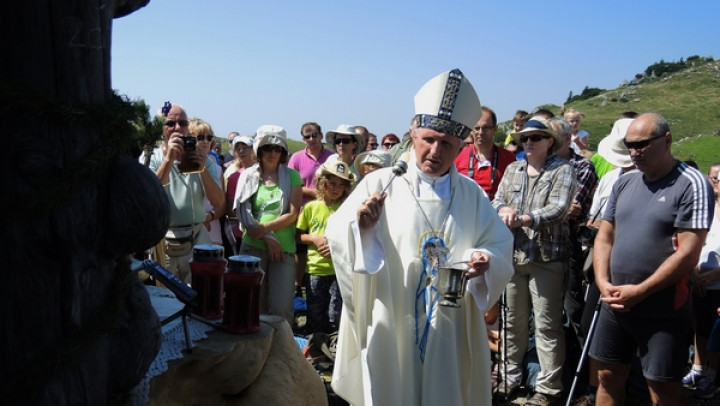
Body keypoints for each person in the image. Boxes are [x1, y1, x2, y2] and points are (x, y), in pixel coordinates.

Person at [325, 68, 515, 406]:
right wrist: (363, 228)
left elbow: (499, 243)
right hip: (393, 314)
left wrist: (487, 260)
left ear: (461, 144)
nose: (436, 151)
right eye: (429, 139)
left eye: (447, 144)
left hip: (450, 322)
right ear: (413, 133)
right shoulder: (380, 183)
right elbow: (339, 233)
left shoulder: (471, 194)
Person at [588, 113, 713, 406]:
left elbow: (688, 252)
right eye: (630, 145)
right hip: (616, 300)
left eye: (642, 144)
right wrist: (604, 282)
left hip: (664, 306)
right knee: (607, 374)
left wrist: (640, 291)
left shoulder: (691, 183)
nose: (634, 152)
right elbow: (604, 237)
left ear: (666, 140)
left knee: (662, 386)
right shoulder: (625, 182)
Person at [492, 116, 577, 405]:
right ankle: (509, 378)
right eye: (524, 139)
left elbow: (560, 208)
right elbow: (497, 199)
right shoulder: (513, 169)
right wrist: (504, 210)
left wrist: (524, 219)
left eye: (535, 138)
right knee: (512, 321)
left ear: (549, 141)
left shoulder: (563, 169)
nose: (528, 143)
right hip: (514, 256)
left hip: (547, 257)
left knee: (547, 325)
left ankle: (548, 388)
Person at [144, 102, 225, 283]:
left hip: (196, 236)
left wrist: (202, 169)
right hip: (163, 239)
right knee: (165, 295)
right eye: (171, 123)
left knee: (200, 293)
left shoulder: (204, 159)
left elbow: (219, 201)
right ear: (162, 128)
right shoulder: (152, 157)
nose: (178, 128)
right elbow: (149, 194)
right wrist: (168, 159)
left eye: (182, 123)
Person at [234, 125, 303, 325]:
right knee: (254, 303)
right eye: (267, 148)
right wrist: (268, 238)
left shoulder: (292, 176)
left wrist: (264, 229)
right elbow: (243, 212)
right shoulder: (247, 175)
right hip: (253, 246)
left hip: (284, 249)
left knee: (281, 307)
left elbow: (293, 214)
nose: (272, 153)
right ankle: (256, 349)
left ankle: (280, 351)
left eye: (277, 149)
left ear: (282, 152)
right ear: (259, 150)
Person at [296, 160, 354, 334]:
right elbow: (298, 235)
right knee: (315, 311)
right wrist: (314, 238)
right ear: (322, 183)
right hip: (315, 269)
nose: (336, 189)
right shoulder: (311, 207)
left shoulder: (346, 208)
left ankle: (335, 343)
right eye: (332, 184)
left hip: (338, 269)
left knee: (335, 312)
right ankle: (316, 344)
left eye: (341, 185)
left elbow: (352, 236)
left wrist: (336, 246)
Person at [683, 162, 720, 399]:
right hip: (699, 279)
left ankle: (712, 376)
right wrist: (695, 272)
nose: (717, 183)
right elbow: (695, 241)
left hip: (717, 280)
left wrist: (716, 274)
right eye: (715, 178)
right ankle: (698, 367)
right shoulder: (706, 209)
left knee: (717, 330)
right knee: (701, 324)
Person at [287, 122, 335, 298]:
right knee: (300, 251)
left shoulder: (331, 157)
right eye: (307, 136)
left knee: (322, 248)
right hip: (302, 211)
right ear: (303, 139)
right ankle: (298, 287)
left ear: (321, 135)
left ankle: (324, 289)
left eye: (315, 135)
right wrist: (314, 192)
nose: (312, 139)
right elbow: (291, 183)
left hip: (326, 211)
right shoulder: (297, 158)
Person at [453, 106, 516, 200]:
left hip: (495, 212)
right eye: (477, 128)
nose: (481, 132)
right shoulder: (458, 157)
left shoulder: (509, 159)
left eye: (486, 128)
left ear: (495, 129)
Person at [189, 118, 225, 246]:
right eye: (200, 137)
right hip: (185, 231)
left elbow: (221, 205)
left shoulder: (218, 169)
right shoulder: (181, 166)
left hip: (211, 230)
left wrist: (208, 217)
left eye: (209, 138)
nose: (205, 142)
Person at [224, 135, 255, 255]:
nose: (241, 151)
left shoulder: (263, 172)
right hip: (242, 232)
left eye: (245, 147)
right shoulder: (234, 177)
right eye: (238, 149)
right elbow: (231, 210)